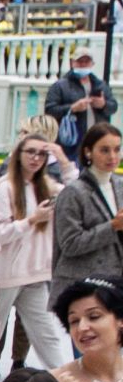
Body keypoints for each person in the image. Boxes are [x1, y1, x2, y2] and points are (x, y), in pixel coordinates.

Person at [0, 133, 73, 378]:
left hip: (34, 277)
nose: (35, 158)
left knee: (48, 337)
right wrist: (31, 221)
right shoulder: (5, 188)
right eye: (30, 152)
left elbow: (77, 195)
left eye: (41, 153)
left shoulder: (46, 187)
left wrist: (63, 160)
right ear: (18, 154)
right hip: (7, 277)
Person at [51, 122, 123, 299]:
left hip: (114, 284)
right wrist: (112, 227)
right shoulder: (73, 192)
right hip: (82, 288)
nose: (112, 156)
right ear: (88, 152)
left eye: (117, 149)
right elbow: (69, 244)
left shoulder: (120, 185)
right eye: (104, 150)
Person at [45, 50, 115, 169]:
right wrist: (72, 108)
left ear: (92, 64)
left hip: (96, 137)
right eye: (79, 61)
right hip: (72, 139)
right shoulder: (60, 85)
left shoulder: (100, 85)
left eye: (86, 61)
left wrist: (103, 105)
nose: (83, 64)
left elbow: (113, 106)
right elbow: (50, 109)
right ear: (73, 63)